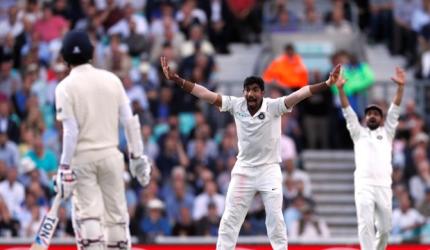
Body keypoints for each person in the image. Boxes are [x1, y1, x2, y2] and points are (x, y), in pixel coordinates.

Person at [160, 56, 341, 250]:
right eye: (247, 90)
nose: (251, 94)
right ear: (243, 92)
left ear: (262, 92)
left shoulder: (274, 106)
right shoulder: (236, 105)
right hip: (244, 170)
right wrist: (177, 80)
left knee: (275, 217)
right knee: (230, 217)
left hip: (269, 170)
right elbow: (206, 94)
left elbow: (300, 94)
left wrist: (327, 83)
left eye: (255, 90)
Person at [55, 30, 151, 250]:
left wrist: (64, 166)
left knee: (89, 219)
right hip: (111, 156)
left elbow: (70, 131)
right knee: (116, 217)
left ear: (64, 57)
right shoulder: (112, 80)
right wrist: (137, 157)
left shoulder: (64, 88)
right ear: (92, 52)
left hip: (82, 160)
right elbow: (130, 121)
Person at [336, 67, 406, 250]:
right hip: (364, 185)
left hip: (383, 185)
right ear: (365, 118)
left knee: (384, 230)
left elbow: (395, 110)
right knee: (365, 224)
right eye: (369, 114)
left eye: (376, 114)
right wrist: (341, 89)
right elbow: (347, 111)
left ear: (381, 119)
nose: (372, 116)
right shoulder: (358, 133)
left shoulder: (388, 132)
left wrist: (400, 88)